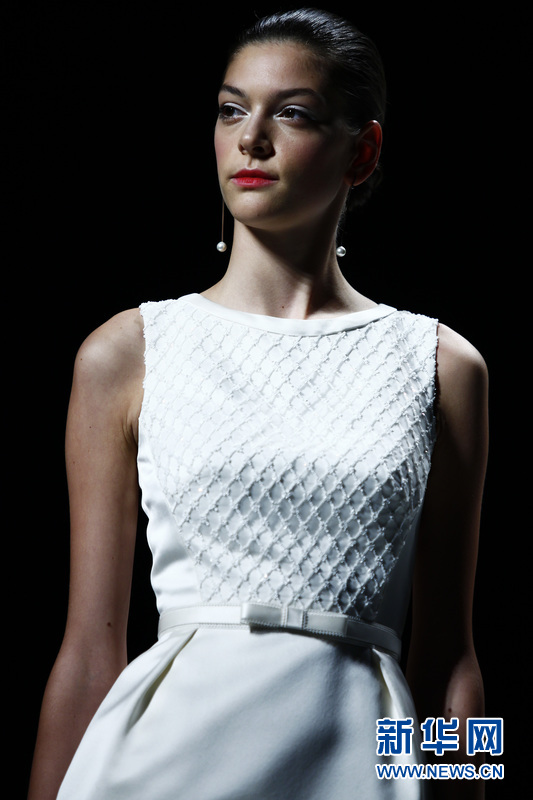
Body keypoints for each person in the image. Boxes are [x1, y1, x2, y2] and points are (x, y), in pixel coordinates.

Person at [28, 8, 488, 800]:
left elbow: (451, 659)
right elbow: (87, 652)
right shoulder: (126, 352)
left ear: (361, 151)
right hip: (157, 770)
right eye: (231, 110)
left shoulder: (443, 365)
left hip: (358, 770)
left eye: (293, 113)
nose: (251, 138)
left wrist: (470, 784)